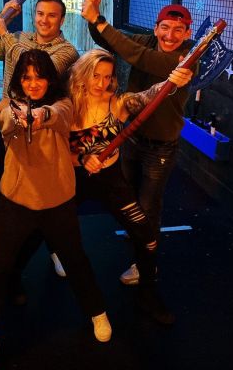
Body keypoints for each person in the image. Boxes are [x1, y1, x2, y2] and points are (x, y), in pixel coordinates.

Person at [0, 50, 111, 356]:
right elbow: (5, 120)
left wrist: (40, 116)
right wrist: (20, 116)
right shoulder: (6, 105)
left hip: (58, 200)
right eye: (26, 77)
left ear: (50, 79)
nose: (33, 83)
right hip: (17, 200)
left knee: (76, 260)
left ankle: (98, 312)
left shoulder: (63, 104)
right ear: (18, 80)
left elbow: (59, 115)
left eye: (39, 77)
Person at [81, 0, 195, 289]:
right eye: (165, 28)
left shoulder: (187, 58)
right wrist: (92, 17)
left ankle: (146, 264)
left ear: (188, 33)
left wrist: (99, 19)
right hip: (132, 137)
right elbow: (110, 41)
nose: (170, 35)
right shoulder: (145, 41)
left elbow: (141, 58)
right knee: (128, 198)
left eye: (178, 30)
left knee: (148, 205)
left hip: (160, 146)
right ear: (156, 28)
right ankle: (139, 241)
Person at [68, 49, 192, 324]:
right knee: (44, 230)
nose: (102, 83)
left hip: (112, 181)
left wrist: (171, 81)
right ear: (83, 75)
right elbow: (56, 150)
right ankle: (13, 278)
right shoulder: (67, 105)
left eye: (108, 77)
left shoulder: (118, 103)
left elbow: (150, 96)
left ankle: (148, 294)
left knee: (147, 236)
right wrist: (82, 158)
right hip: (74, 181)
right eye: (96, 76)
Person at [0, 0, 79, 291]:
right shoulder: (20, 37)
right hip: (13, 128)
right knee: (7, 193)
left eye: (52, 15)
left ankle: (53, 246)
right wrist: (4, 16)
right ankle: (3, 255)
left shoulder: (66, 50)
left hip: (46, 130)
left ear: (62, 20)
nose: (44, 20)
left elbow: (34, 65)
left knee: (47, 197)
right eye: (40, 13)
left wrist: (6, 33)